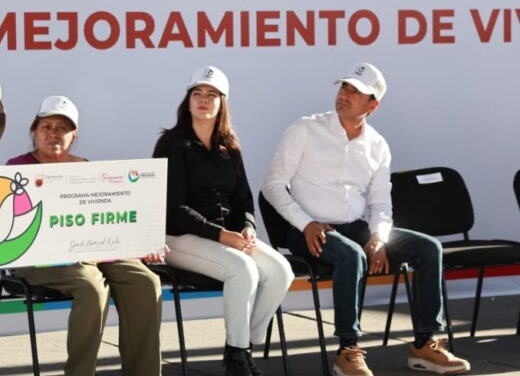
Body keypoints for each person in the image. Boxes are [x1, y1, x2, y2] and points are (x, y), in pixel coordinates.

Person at [262, 63, 471, 376]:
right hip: (307, 228)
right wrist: (305, 223)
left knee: (429, 248)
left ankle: (425, 345)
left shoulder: (377, 145)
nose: (345, 95)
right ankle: (347, 351)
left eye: (356, 92)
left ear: (373, 105)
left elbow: (380, 203)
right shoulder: (304, 129)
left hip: (357, 228)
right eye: (344, 87)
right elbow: (273, 185)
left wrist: (379, 237)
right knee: (351, 254)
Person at [153, 66, 294, 376]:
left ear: (222, 103)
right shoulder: (171, 144)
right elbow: (172, 208)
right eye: (197, 93)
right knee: (243, 269)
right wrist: (221, 235)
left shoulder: (230, 146)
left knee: (281, 271)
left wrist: (247, 227)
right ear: (188, 101)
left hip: (226, 236)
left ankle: (241, 349)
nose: (203, 100)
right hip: (178, 238)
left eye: (212, 95)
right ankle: (238, 359)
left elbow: (244, 199)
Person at [7, 95, 163, 376]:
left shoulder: (87, 168)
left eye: (62, 128)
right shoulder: (17, 169)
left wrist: (142, 243)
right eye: (46, 126)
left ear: (74, 135)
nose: (54, 133)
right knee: (92, 289)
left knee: (146, 281)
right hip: (40, 258)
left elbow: (107, 219)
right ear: (34, 131)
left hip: (94, 250)